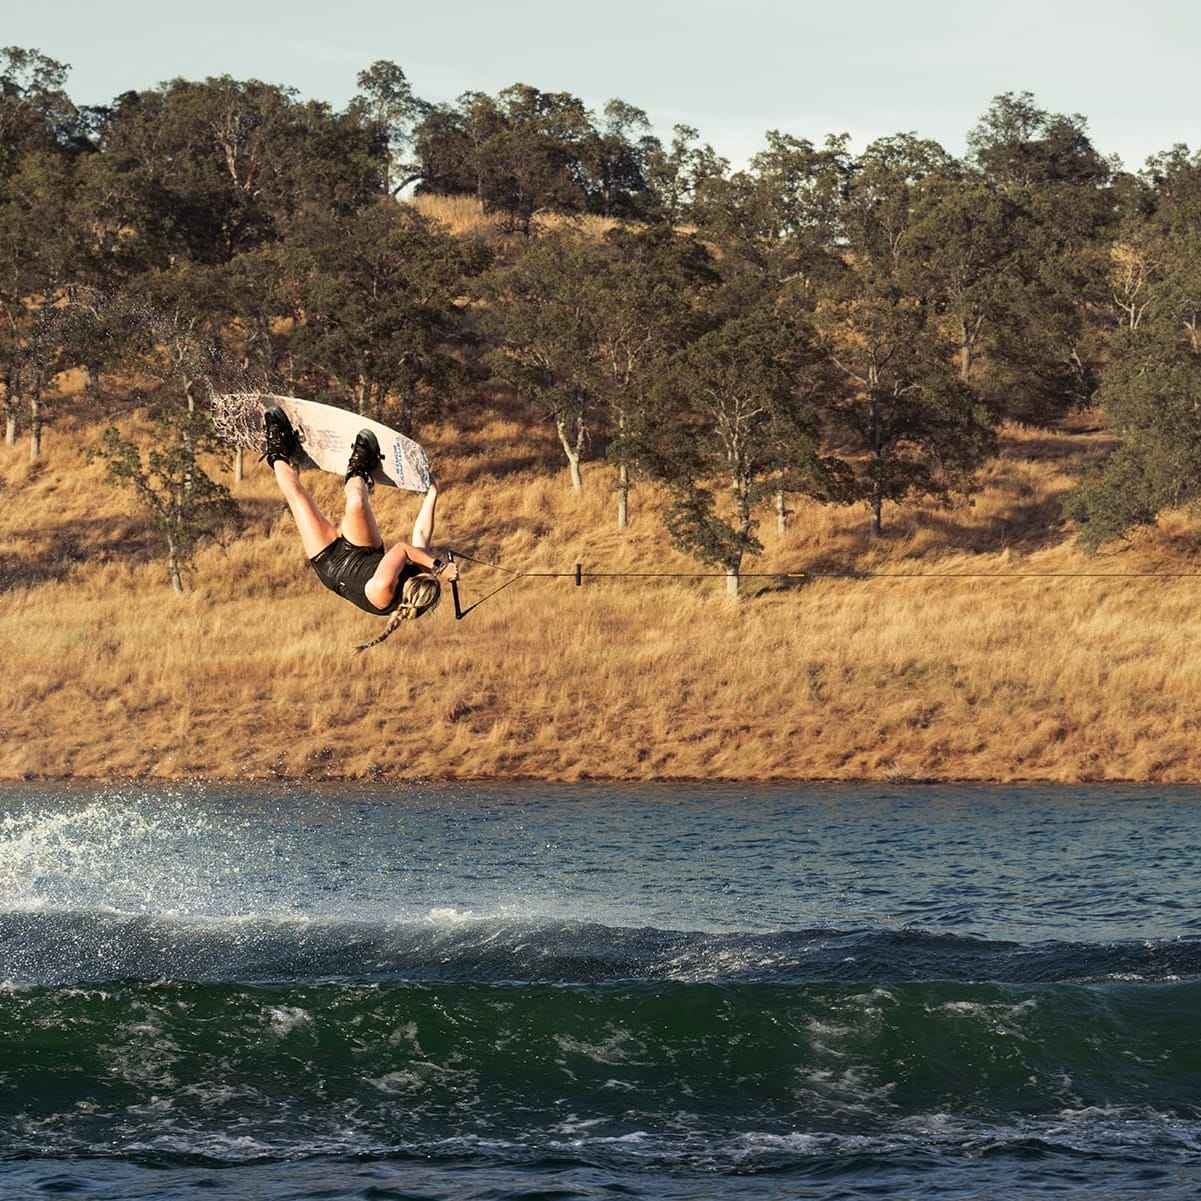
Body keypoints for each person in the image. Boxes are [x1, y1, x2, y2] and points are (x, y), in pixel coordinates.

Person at [261, 405, 459, 652]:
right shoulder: (423, 579)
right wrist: (433, 493)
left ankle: (278, 449)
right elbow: (420, 538)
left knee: (297, 497)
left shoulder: (383, 589)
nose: (423, 570)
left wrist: (439, 566)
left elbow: (403, 549)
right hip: (364, 552)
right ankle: (358, 469)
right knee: (355, 502)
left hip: (331, 564)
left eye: (423, 573)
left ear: (410, 587)